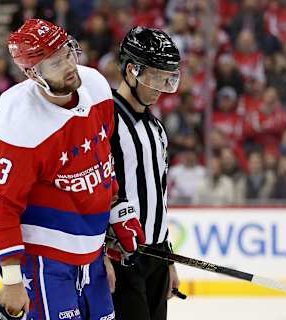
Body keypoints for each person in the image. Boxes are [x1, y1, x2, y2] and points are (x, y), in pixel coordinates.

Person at [0, 19, 145, 320]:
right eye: (55, 63)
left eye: (68, 53)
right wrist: (12, 280)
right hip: (44, 260)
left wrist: (114, 215)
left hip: (90, 257)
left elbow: (101, 161)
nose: (70, 66)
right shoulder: (18, 119)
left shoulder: (95, 86)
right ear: (32, 72)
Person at [107, 26, 181, 320]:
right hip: (122, 258)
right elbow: (93, 190)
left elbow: (159, 196)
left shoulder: (157, 129)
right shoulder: (106, 120)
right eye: (155, 76)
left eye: (168, 78)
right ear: (130, 70)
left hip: (158, 259)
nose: (161, 86)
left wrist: (169, 259)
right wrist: (100, 254)